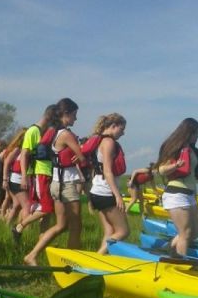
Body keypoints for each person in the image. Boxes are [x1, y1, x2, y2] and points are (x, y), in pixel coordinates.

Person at [23, 98, 84, 266]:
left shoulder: (53, 132)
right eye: (74, 115)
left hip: (56, 182)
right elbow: (82, 157)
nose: (76, 119)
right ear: (66, 114)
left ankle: (32, 255)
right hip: (68, 183)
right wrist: (83, 151)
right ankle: (73, 263)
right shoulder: (65, 134)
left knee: (61, 225)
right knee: (76, 226)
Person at [155, 118, 198, 256]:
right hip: (176, 193)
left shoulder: (190, 149)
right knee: (186, 233)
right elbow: (162, 170)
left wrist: (195, 196)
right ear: (188, 133)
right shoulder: (176, 147)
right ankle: (181, 263)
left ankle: (169, 251)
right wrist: (175, 166)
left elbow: (192, 175)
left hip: (189, 194)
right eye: (195, 134)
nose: (197, 137)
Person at [11, 104, 59, 243]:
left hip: (44, 173)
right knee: (46, 208)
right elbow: (25, 154)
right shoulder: (33, 131)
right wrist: (24, 176)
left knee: (48, 214)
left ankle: (42, 240)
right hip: (38, 174)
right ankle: (19, 226)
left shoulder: (46, 132)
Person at [86, 114, 129, 254]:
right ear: (113, 126)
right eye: (121, 129)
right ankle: (97, 258)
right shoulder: (109, 142)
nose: (123, 133)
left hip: (97, 190)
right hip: (106, 192)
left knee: (110, 231)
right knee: (123, 231)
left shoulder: (99, 140)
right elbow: (108, 171)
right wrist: (118, 196)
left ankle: (101, 259)